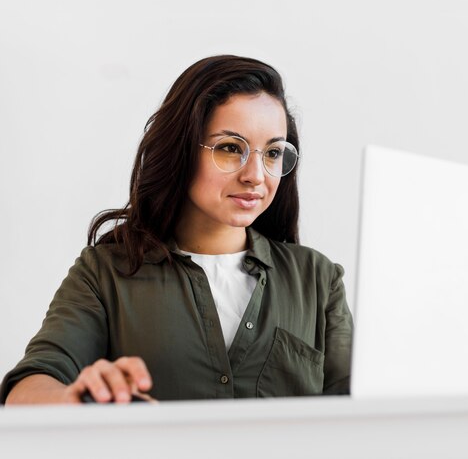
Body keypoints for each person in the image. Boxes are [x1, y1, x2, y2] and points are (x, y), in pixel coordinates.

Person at [1, 55, 352, 404]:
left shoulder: (318, 279)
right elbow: (26, 389)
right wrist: (77, 399)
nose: (256, 176)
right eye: (231, 148)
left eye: (273, 153)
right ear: (181, 149)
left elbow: (362, 410)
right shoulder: (106, 273)